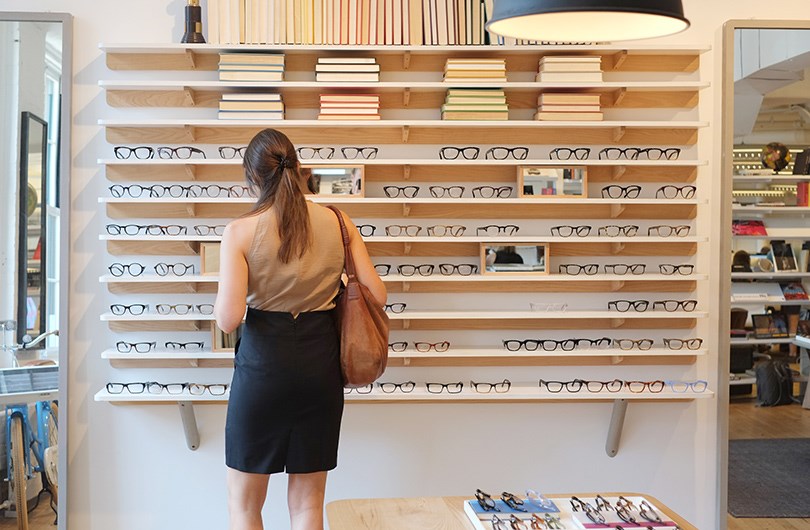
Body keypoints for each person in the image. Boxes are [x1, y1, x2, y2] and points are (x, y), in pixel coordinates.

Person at [214, 128, 386, 530]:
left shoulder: (239, 231)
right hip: (319, 365)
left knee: (244, 506)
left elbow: (227, 318)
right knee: (308, 505)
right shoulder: (338, 222)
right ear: (297, 168)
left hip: (263, 367)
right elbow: (377, 293)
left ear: (253, 176)